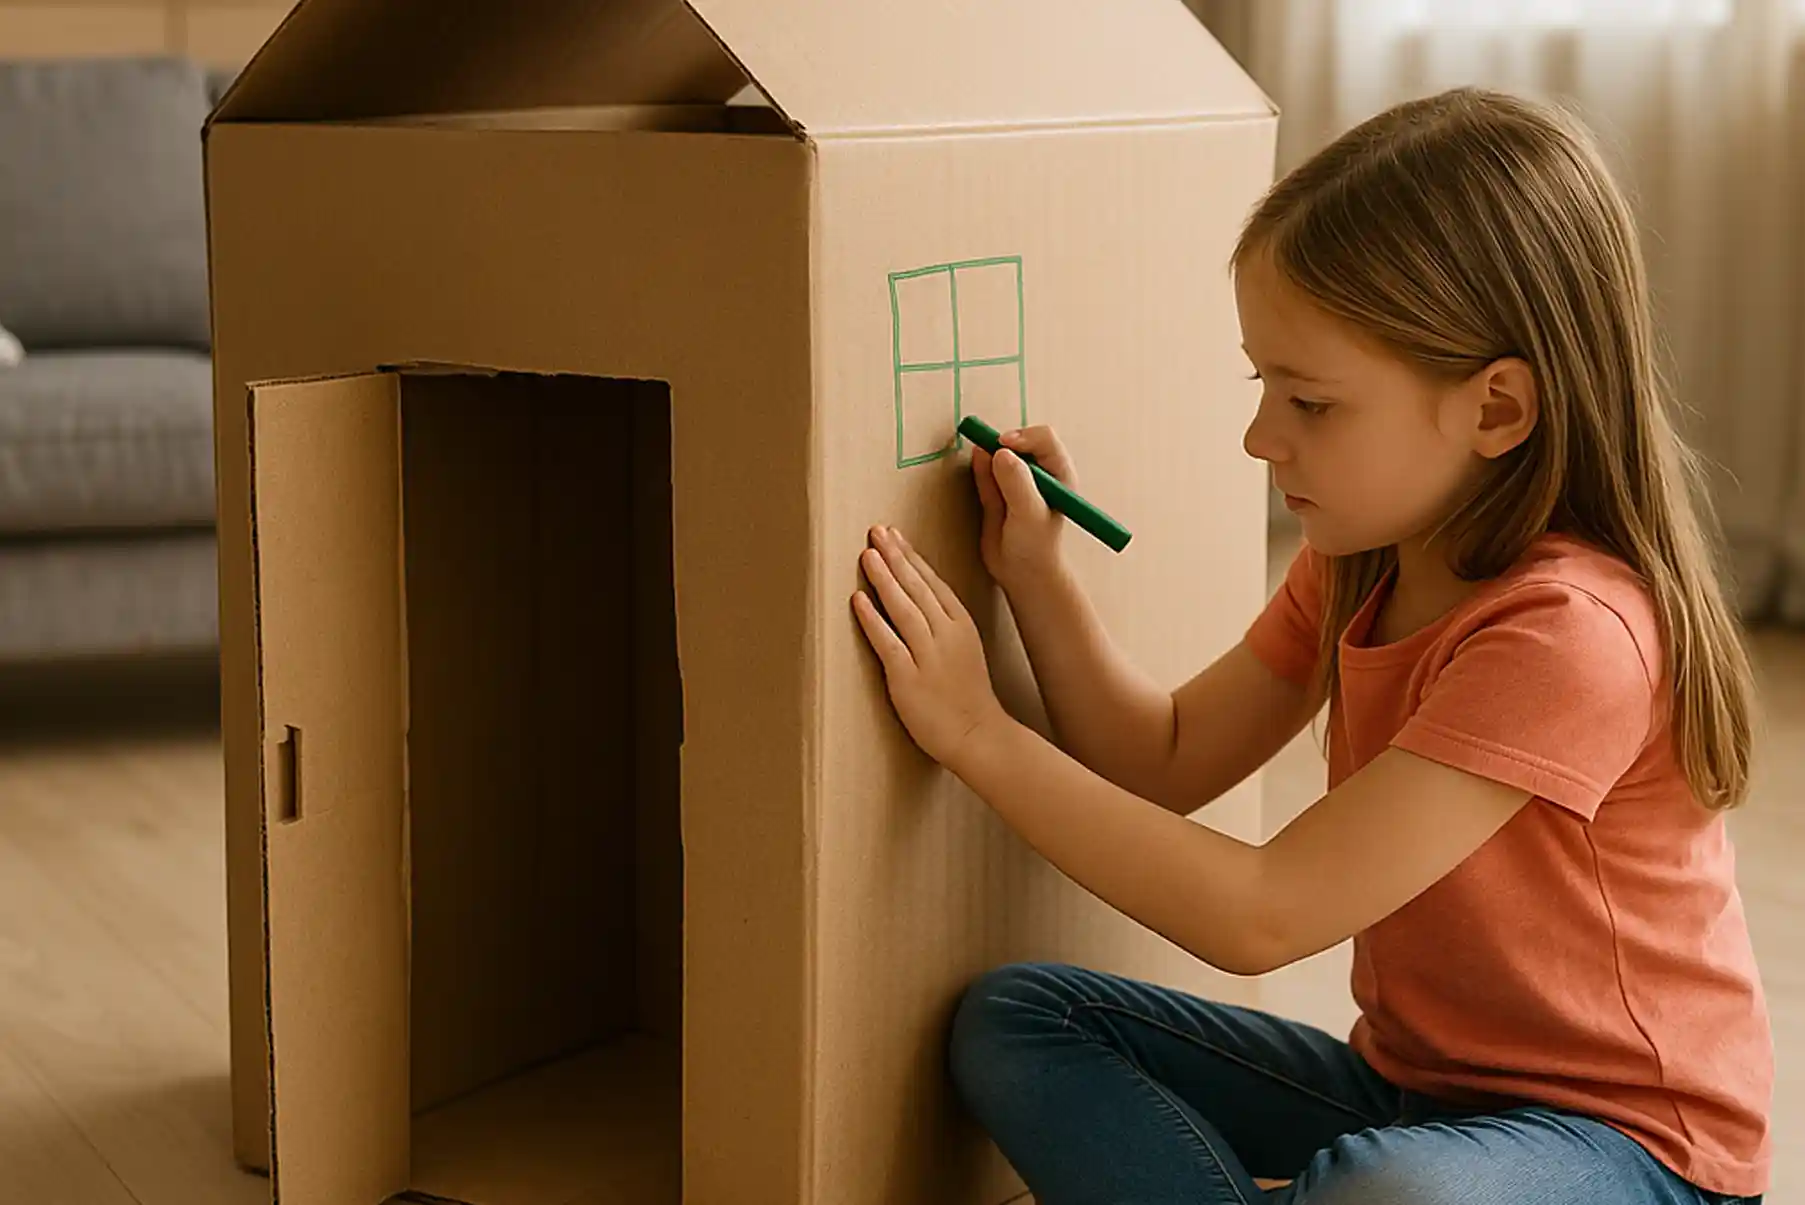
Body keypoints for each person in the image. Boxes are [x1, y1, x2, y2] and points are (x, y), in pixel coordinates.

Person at [850, 87, 1772, 1204]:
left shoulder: (1569, 634)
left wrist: (974, 732)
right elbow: (1162, 757)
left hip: (1631, 1149)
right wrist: (1036, 578)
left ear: (1495, 409)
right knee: (1022, 1019)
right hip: (1419, 1093)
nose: (1259, 436)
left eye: (1311, 402)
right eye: (1263, 384)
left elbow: (1261, 912)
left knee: (1383, 1189)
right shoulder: (1358, 563)